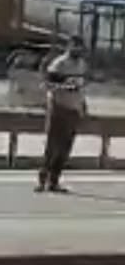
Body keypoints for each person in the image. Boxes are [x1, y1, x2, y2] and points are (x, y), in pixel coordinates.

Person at [37, 36, 89, 193]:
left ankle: (54, 181)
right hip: (59, 108)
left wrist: (83, 104)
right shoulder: (60, 64)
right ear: (69, 47)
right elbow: (47, 84)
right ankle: (42, 179)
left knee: (66, 147)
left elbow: (81, 88)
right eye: (75, 47)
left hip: (74, 110)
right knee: (53, 145)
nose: (78, 51)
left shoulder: (82, 65)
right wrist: (65, 86)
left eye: (80, 48)